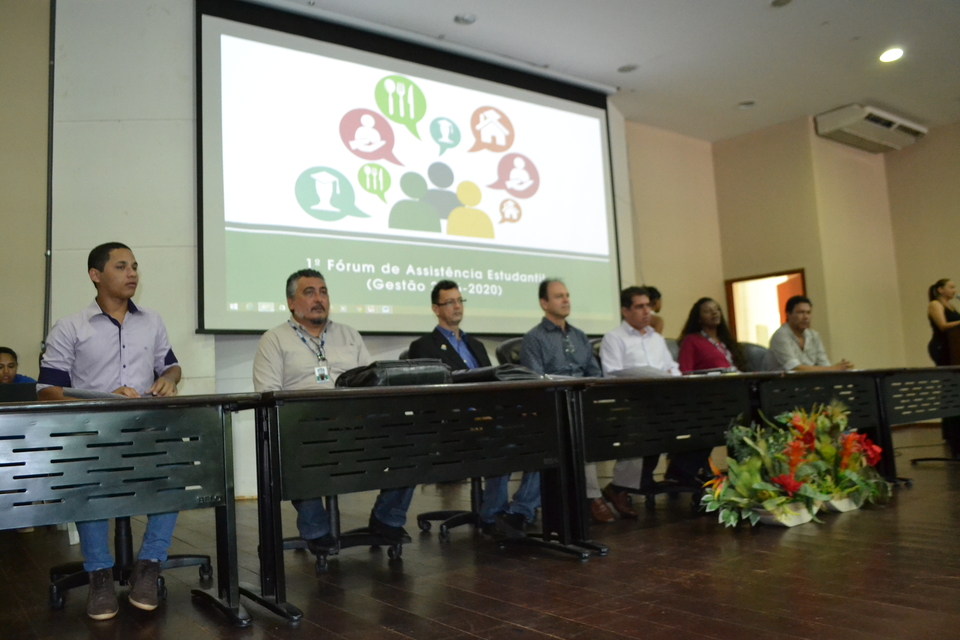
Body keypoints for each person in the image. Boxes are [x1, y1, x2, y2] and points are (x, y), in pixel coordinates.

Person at [37, 242, 182, 620]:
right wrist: (102, 399)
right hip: (92, 433)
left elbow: (170, 366)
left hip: (145, 429)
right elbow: (47, 390)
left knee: (174, 478)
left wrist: (167, 379)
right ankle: (99, 573)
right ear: (96, 275)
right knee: (90, 487)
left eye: (135, 266)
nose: (132, 273)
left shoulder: (151, 320)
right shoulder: (71, 326)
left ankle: (149, 564)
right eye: (121, 266)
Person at [253, 269, 414, 554]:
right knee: (296, 441)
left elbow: (373, 383)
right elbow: (266, 394)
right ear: (291, 302)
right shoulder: (274, 340)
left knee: (410, 441)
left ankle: (386, 519)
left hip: (355, 425)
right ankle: (316, 529)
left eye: (323, 292)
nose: (319, 299)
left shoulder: (348, 335)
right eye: (309, 292)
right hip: (304, 427)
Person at [408, 280, 536, 536]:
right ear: (436, 308)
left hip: (489, 416)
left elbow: (493, 383)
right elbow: (435, 398)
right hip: (454, 425)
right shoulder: (424, 346)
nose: (457, 306)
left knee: (539, 434)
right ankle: (492, 514)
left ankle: (520, 510)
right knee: (498, 436)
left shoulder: (475, 345)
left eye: (459, 301)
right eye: (450, 302)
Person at [599, 287, 706, 515]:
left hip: (664, 399)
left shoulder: (657, 339)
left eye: (648, 305)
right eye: (639, 306)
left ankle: (681, 473)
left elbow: (672, 368)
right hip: (631, 401)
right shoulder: (613, 338)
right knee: (646, 426)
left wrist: (674, 380)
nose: (647, 311)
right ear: (625, 311)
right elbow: (611, 373)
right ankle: (619, 487)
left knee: (704, 421)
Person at [520, 279, 612, 524]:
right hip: (553, 407)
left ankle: (616, 489)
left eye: (567, 295)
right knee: (577, 426)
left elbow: (595, 373)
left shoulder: (580, 336)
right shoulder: (534, 338)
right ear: (544, 303)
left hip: (583, 402)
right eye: (559, 296)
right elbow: (535, 382)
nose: (566, 300)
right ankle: (592, 497)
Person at [764, 295, 853, 372]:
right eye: (801, 312)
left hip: (808, 384)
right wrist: (832, 369)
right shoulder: (781, 336)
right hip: (781, 386)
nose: (806, 317)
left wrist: (840, 368)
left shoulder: (814, 335)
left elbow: (824, 364)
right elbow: (795, 369)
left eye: (808, 313)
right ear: (788, 314)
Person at [927, 279, 960, 457]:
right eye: (951, 286)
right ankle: (951, 432)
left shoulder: (952, 306)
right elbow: (943, 326)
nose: (954, 290)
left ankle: (954, 429)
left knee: (956, 388)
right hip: (943, 348)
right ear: (940, 289)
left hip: (955, 348)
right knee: (950, 386)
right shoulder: (935, 304)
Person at [677, 298, 745, 373]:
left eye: (717, 309)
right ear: (699, 319)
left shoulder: (725, 339)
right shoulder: (691, 340)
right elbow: (685, 372)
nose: (714, 313)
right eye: (708, 311)